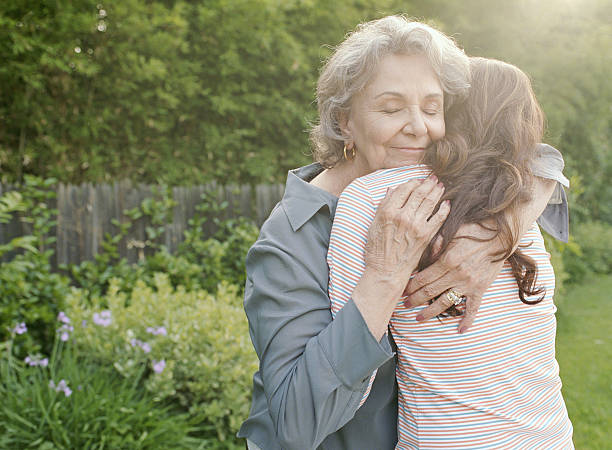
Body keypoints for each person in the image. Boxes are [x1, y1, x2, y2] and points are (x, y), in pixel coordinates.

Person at [238, 16, 569, 450]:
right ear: (345, 122)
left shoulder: (437, 184)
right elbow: (293, 427)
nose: (419, 127)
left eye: (433, 108)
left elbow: (538, 158)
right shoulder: (291, 239)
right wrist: (384, 276)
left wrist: (496, 237)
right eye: (391, 108)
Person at [327, 57, 573, 448]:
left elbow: (345, 359)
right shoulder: (520, 204)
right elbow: (546, 160)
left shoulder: (372, 198)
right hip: (550, 435)